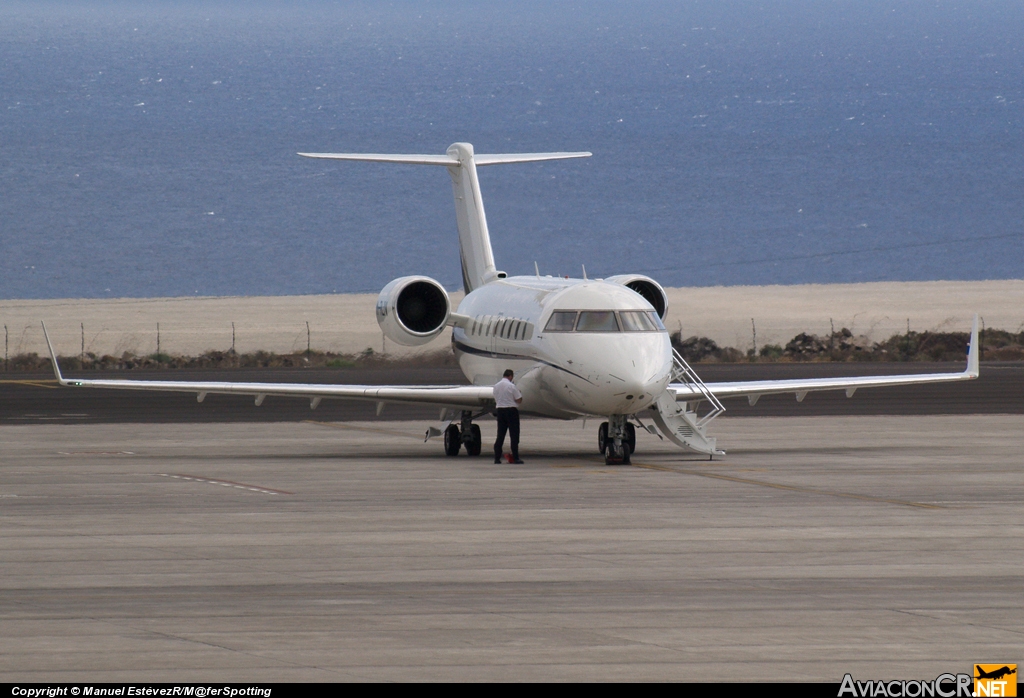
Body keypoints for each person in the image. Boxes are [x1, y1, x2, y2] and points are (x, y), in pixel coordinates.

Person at [493, 368, 523, 464]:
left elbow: (496, 397)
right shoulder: (511, 386)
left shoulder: (496, 386)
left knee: (500, 436)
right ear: (510, 376)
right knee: (514, 436)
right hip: (511, 411)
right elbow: (519, 399)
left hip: (500, 411)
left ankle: (497, 458)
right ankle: (515, 457)